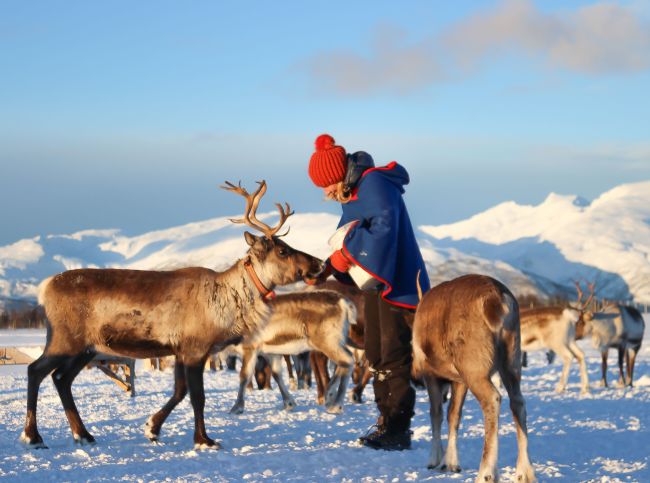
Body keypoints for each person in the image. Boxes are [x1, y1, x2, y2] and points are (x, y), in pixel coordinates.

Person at [306, 133, 430, 450]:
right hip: (376, 283)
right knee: (374, 353)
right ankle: (385, 421)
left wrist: (345, 255)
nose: (326, 192)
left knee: (393, 355)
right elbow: (350, 237)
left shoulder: (374, 185)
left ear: (339, 174)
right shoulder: (354, 193)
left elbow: (382, 230)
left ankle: (398, 429)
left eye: (328, 183)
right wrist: (330, 268)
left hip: (398, 284)